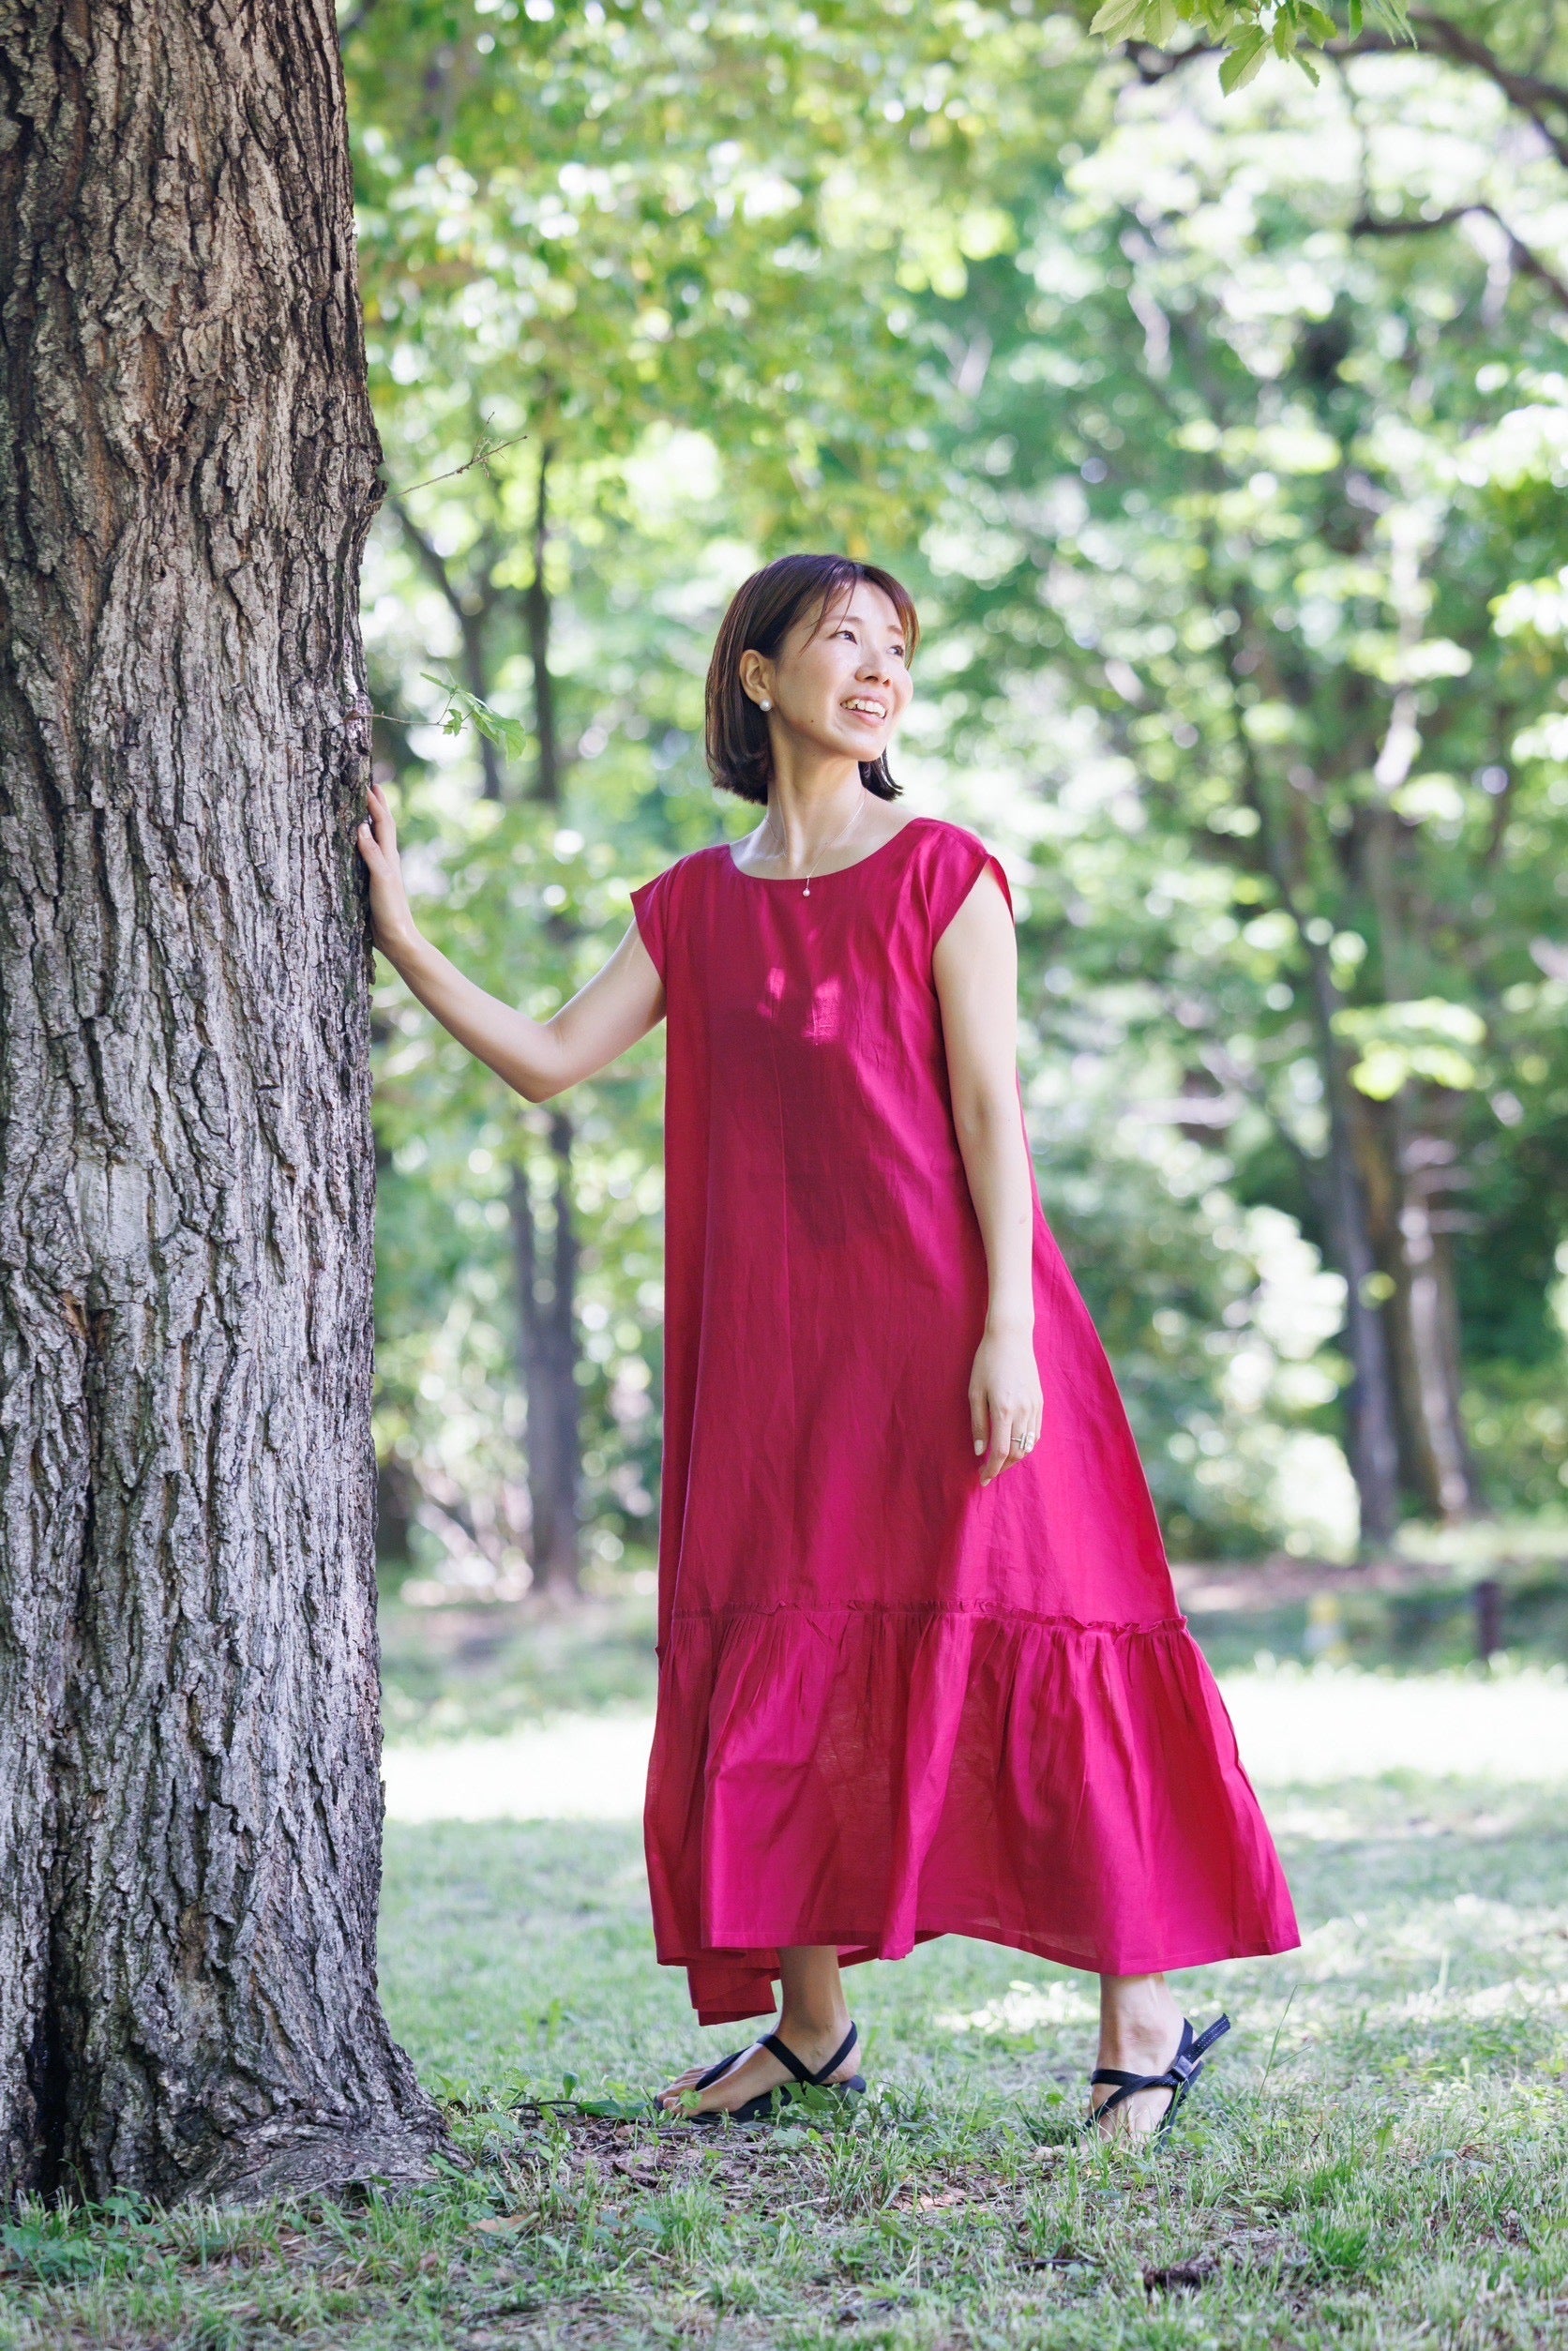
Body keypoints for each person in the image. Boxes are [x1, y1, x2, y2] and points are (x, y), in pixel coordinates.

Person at [357, 551, 1299, 2139]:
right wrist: (399, 926)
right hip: (781, 1361)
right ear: (757, 675)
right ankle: (812, 2030)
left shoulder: (947, 871)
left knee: (1048, 1619)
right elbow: (543, 1061)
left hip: (964, 1333)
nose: (876, 667)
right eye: (840, 638)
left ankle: (1142, 2023)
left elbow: (996, 1117)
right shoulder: (691, 909)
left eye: (896, 645)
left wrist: (1008, 1328)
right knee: (783, 1627)